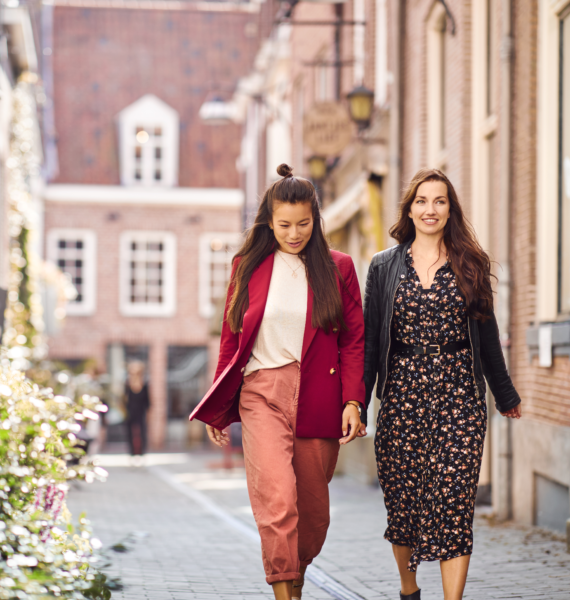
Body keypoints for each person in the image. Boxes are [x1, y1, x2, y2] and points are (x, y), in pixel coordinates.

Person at [190, 164, 366, 600]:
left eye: (303, 224)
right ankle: (284, 588)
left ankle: (295, 576)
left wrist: (353, 402)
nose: (293, 233)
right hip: (260, 395)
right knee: (278, 503)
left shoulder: (338, 268)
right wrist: (220, 403)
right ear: (269, 221)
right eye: (284, 225)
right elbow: (232, 339)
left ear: (315, 220)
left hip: (318, 396)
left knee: (312, 515)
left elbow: (353, 341)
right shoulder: (247, 267)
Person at [362, 168, 522, 600]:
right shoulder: (382, 267)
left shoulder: (471, 264)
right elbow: (371, 342)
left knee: (454, 503)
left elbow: (487, 336)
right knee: (403, 504)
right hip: (401, 397)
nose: (430, 209)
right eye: (422, 201)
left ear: (450, 209)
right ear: (409, 209)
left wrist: (504, 394)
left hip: (459, 399)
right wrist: (357, 406)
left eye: (440, 201)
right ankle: (409, 588)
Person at [124, 360, 150, 462]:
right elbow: (124, 399)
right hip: (130, 412)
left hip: (141, 412)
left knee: (142, 432)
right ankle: (131, 453)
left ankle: (142, 453)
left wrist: (148, 415)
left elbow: (147, 402)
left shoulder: (145, 384)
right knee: (129, 432)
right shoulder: (127, 384)